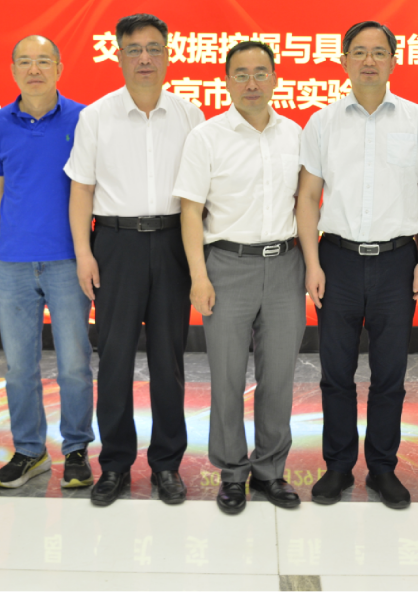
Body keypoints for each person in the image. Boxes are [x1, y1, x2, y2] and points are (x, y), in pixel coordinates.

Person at [296, 20, 418, 510]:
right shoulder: (322, 122)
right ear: (343, 60)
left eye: (379, 52)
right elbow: (307, 196)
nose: (368, 60)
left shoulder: (417, 119)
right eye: (359, 52)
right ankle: (338, 466)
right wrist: (312, 262)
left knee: (390, 375)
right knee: (335, 373)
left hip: (397, 261)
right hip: (336, 260)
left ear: (393, 60)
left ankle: (383, 467)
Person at [65, 13, 204, 506]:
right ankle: (116, 464)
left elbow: (200, 196)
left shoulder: (190, 115)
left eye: (153, 48)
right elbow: (81, 190)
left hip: (172, 243)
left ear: (168, 53)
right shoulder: (96, 116)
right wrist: (84, 253)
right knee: (115, 359)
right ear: (119, 55)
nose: (144, 58)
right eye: (134, 49)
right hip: (116, 245)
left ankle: (167, 463)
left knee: (169, 361)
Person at [173, 40, 306, 515]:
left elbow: (306, 203)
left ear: (275, 78)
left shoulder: (295, 134)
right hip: (226, 266)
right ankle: (231, 472)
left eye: (261, 72)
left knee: (279, 377)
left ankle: (270, 470)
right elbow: (191, 211)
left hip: (286, 265)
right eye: (241, 74)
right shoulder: (206, 137)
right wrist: (198, 275)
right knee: (227, 377)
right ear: (226, 81)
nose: (252, 83)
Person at [0, 35, 94, 491]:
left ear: (59, 68)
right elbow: (0, 192)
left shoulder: (83, 119)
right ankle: (29, 451)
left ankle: (76, 449)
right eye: (25, 62)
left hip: (67, 260)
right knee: (19, 368)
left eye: (43, 61)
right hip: (12, 262)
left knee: (74, 365)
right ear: (12, 70)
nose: (34, 70)